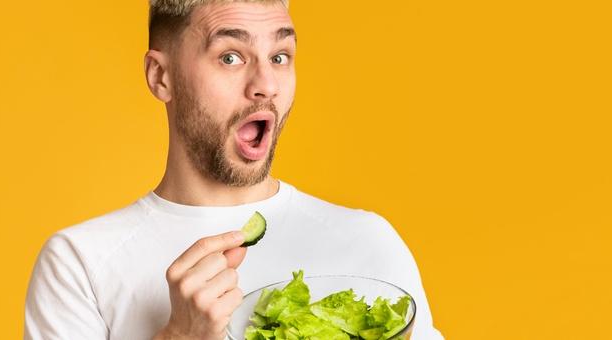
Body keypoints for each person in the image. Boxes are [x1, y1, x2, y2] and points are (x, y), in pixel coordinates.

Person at [24, 1, 444, 339]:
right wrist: (180, 337)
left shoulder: (368, 242)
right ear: (161, 75)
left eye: (280, 56)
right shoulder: (80, 263)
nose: (266, 83)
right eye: (230, 57)